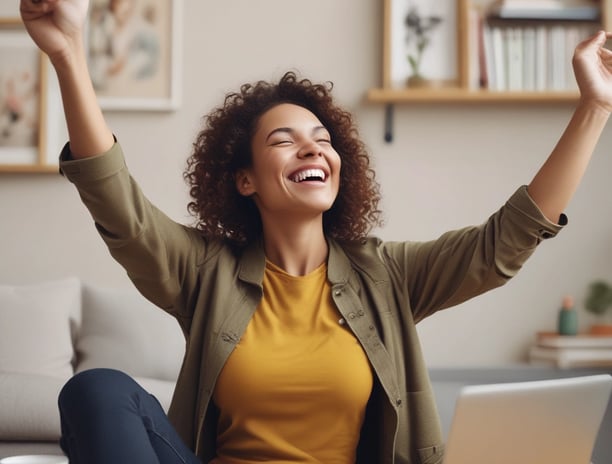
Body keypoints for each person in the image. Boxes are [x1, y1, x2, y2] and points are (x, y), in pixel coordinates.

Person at [19, 0, 612, 463]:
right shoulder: (204, 272)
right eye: (284, 140)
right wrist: (69, 49)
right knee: (94, 388)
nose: (312, 146)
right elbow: (116, 204)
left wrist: (595, 108)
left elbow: (504, 241)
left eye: (323, 139)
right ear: (245, 181)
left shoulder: (389, 276)